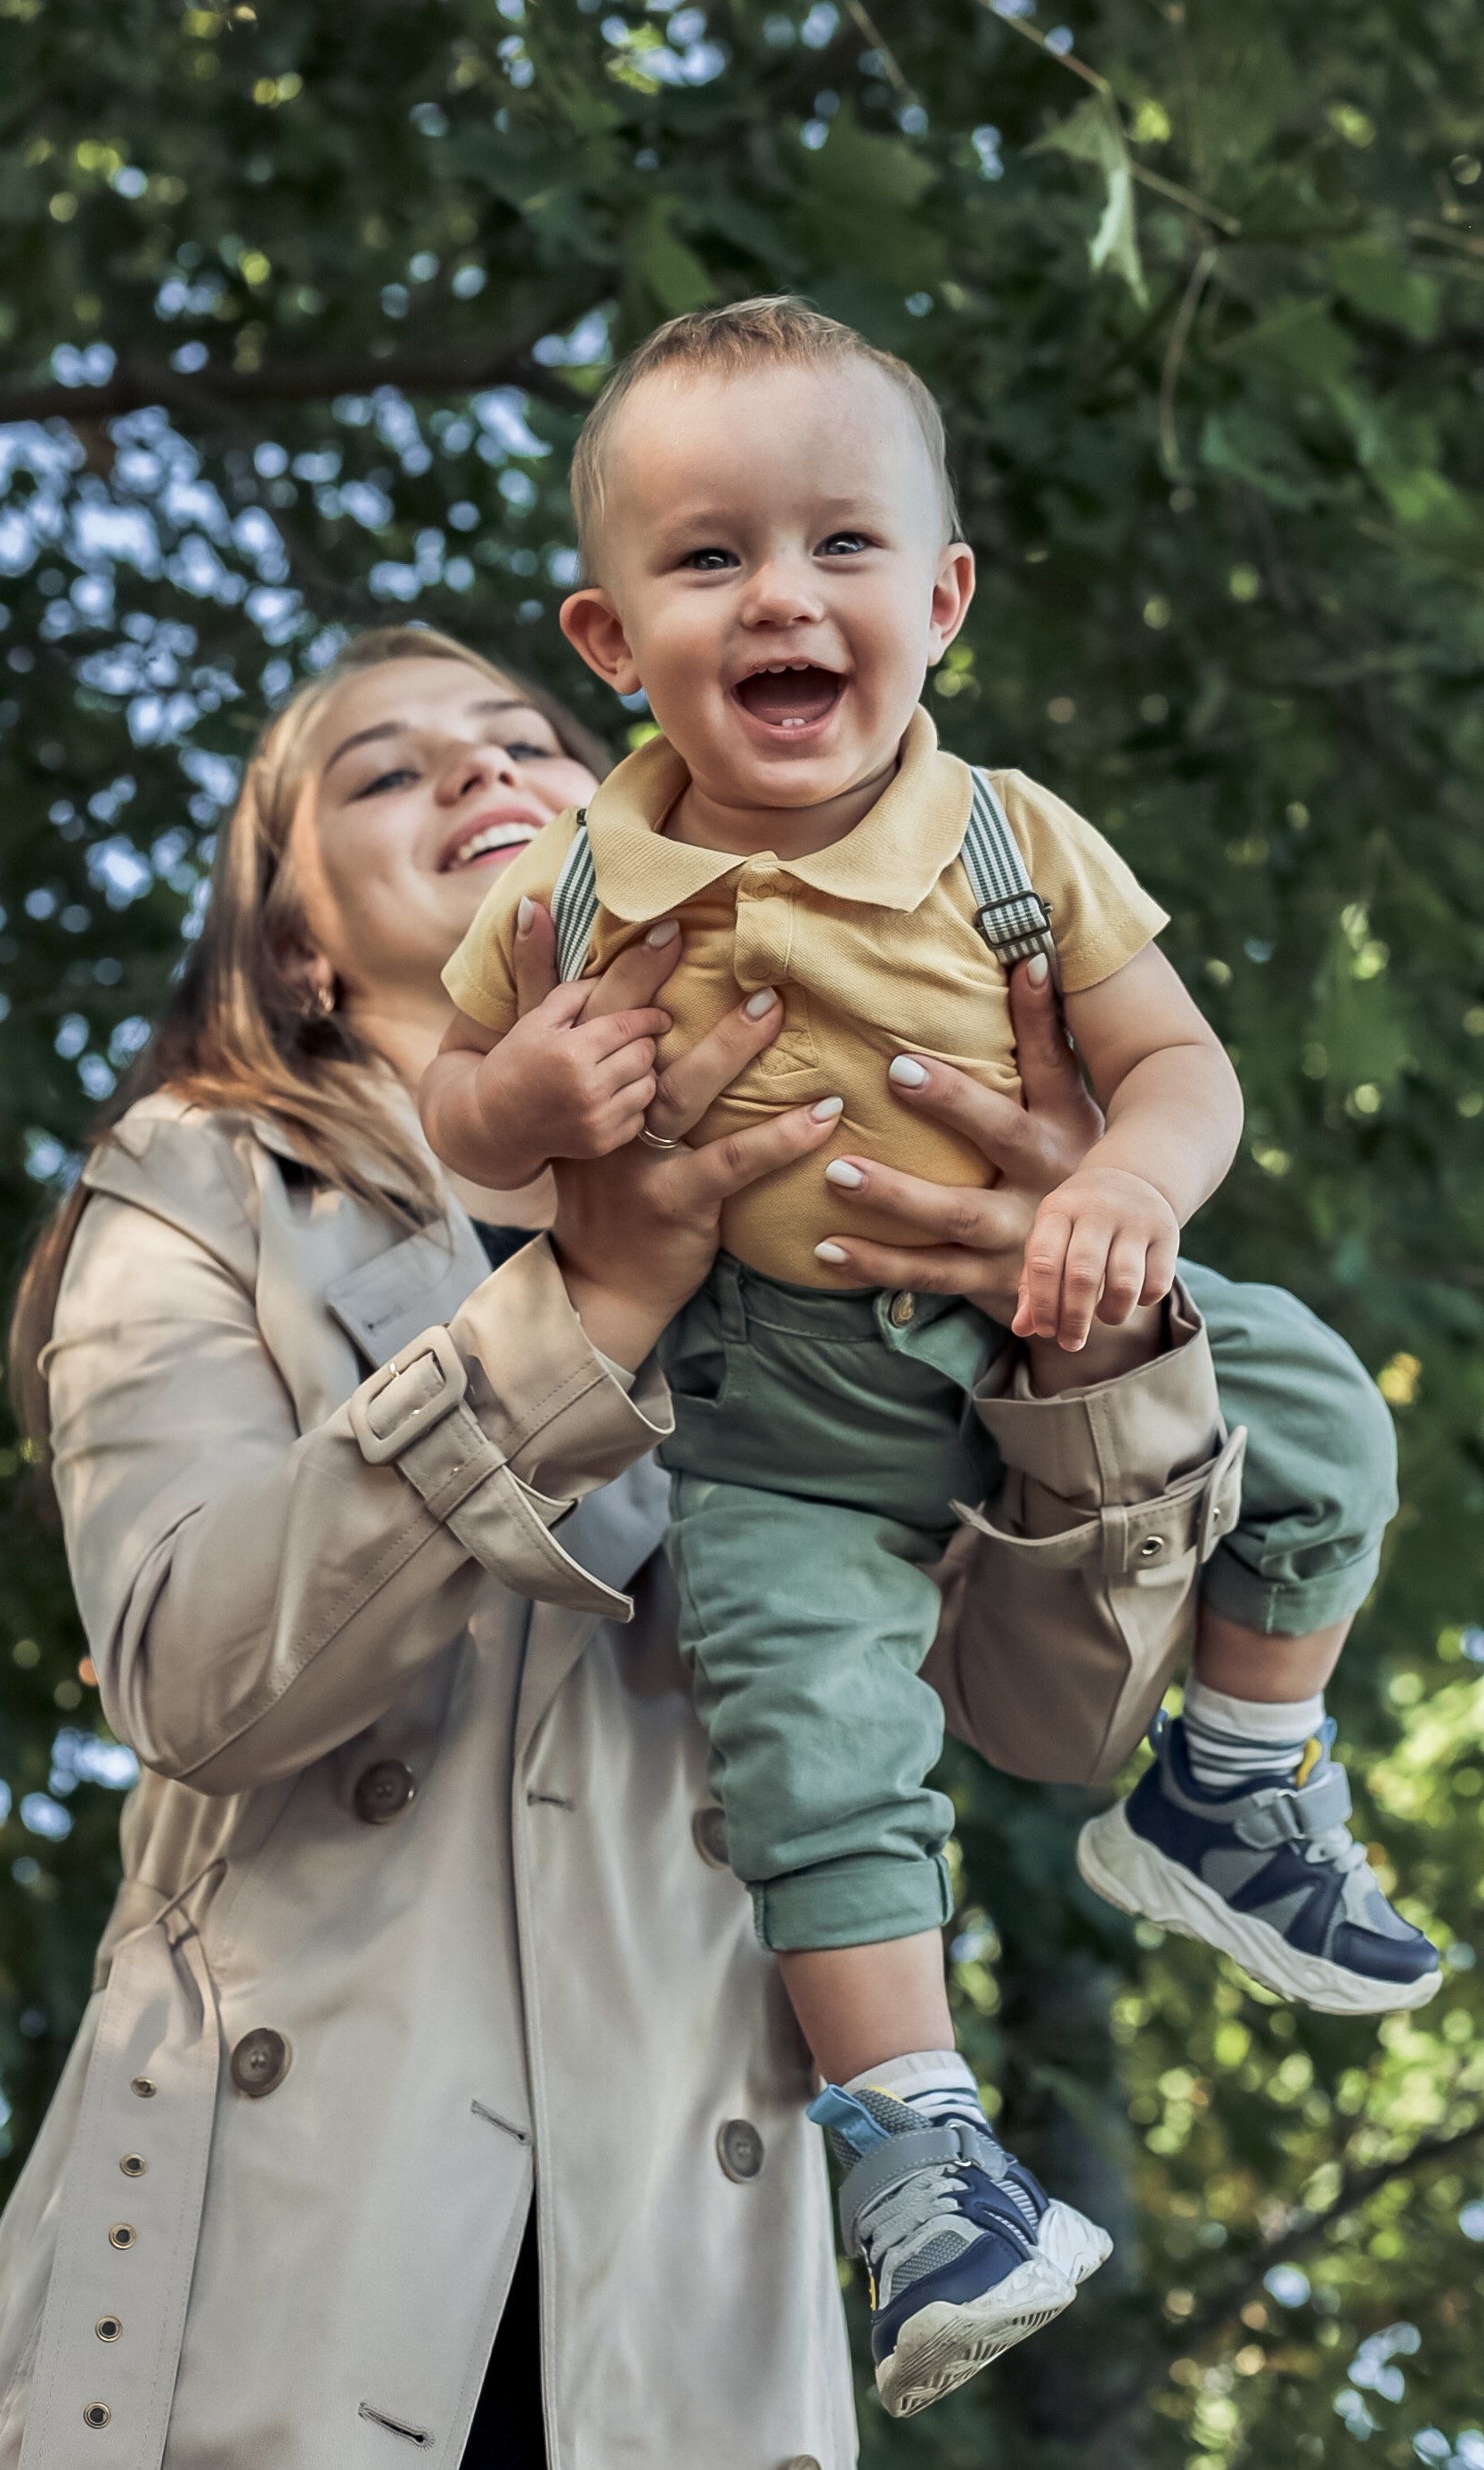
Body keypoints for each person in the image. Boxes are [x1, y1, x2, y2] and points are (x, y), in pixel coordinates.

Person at [0, 623, 1257, 2470]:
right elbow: (191, 1669)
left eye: (529, 745)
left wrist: (1083, 1335)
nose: (477, 775)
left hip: (683, 2315)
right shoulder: (203, 1182)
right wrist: (593, 1301)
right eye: (384, 771)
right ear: (298, 941)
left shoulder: (853, 1208)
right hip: (254, 2299)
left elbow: (1052, 1713)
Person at [420, 300, 1433, 2417]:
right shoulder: (576, 884)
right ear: (610, 642)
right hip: (778, 1401)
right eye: (707, 561)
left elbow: (1180, 1070)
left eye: (839, 546)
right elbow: (457, 1113)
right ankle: (915, 2157)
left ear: (940, 598)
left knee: (1321, 1410)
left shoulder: (1006, 839)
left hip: (1035, 1298)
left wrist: (1127, 1193)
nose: (779, 592)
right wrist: (524, 1102)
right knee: (801, 1733)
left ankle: (1238, 1785)